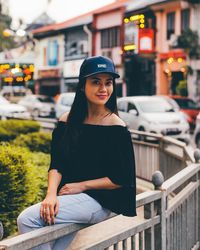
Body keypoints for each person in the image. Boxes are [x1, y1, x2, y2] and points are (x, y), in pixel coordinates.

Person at [17, 56, 137, 250]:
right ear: (82, 86)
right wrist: (50, 195)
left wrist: (81, 186)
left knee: (28, 220)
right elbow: (57, 164)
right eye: (96, 82)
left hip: (100, 201)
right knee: (51, 242)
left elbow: (122, 178)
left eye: (108, 83)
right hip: (70, 199)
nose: (103, 89)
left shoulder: (116, 126)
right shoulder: (67, 122)